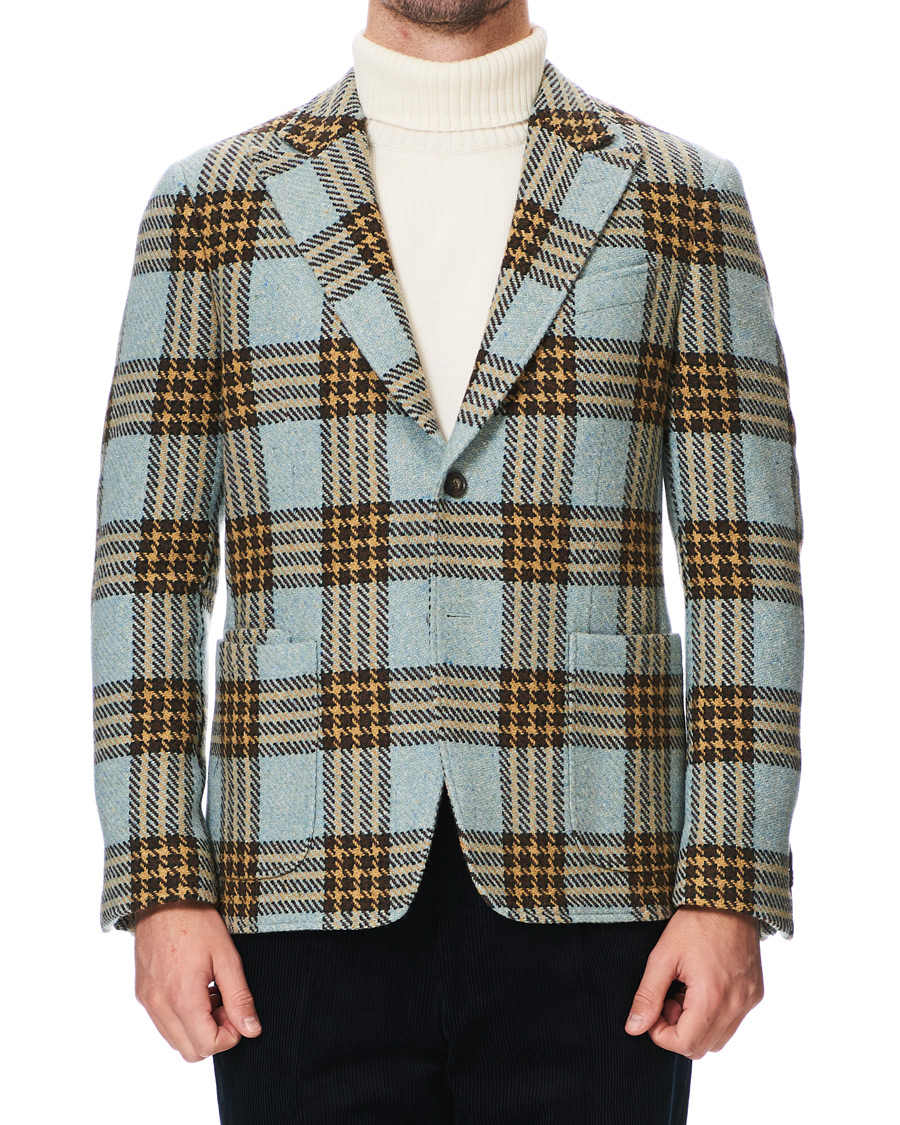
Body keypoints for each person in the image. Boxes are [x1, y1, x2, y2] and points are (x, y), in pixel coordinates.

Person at [89, 2, 804, 1122]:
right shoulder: (211, 205)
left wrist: (729, 882)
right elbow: (148, 565)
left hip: (601, 885)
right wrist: (159, 880)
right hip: (298, 880)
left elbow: (744, 559)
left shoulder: (679, 195)